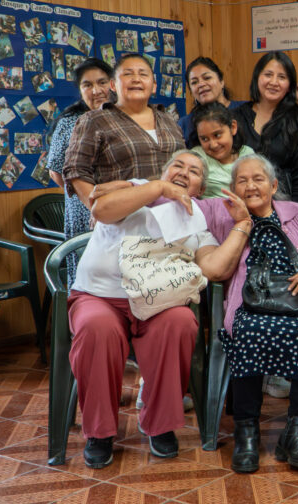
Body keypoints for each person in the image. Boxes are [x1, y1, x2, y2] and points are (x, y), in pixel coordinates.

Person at [69, 150, 251, 469]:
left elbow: (215, 268)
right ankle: (99, 432)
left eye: (193, 171)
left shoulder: (197, 221)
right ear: (163, 173)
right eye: (177, 166)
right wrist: (158, 188)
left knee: (181, 322)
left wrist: (243, 225)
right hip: (100, 297)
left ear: (199, 189)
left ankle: (160, 424)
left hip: (159, 303)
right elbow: (102, 210)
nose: (183, 172)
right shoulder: (136, 189)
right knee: (97, 328)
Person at [199, 154, 298, 474]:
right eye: (242, 180)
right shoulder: (222, 212)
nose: (251, 186)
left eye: (258, 179)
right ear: (232, 188)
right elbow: (179, 205)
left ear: (274, 185)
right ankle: (246, 434)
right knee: (248, 329)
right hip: (251, 306)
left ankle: (296, 434)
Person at [63, 53, 186, 210]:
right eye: (128, 74)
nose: (136, 79)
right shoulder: (94, 120)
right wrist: (99, 210)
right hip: (124, 218)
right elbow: (75, 170)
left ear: (154, 85)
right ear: (113, 85)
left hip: (172, 215)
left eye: (143, 74)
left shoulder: (168, 120)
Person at [45, 58, 113, 279]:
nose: (96, 91)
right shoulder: (70, 122)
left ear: (113, 84)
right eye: (87, 85)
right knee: (88, 276)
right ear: (81, 90)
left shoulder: (121, 116)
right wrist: (83, 194)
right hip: (83, 210)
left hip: (120, 205)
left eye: (102, 82)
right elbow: (55, 171)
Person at [232, 52, 298, 205]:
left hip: (282, 206)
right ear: (257, 77)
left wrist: (295, 213)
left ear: (289, 85)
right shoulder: (236, 117)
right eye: (268, 75)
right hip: (239, 204)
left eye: (282, 77)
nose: (274, 82)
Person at [187, 102, 256, 199]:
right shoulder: (196, 157)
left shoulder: (248, 154)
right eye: (204, 139)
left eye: (217, 135)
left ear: (233, 127)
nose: (213, 145)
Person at [178, 57, 247, 143]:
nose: (201, 84)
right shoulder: (184, 124)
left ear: (221, 82)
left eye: (207, 78)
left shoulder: (246, 110)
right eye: (194, 82)